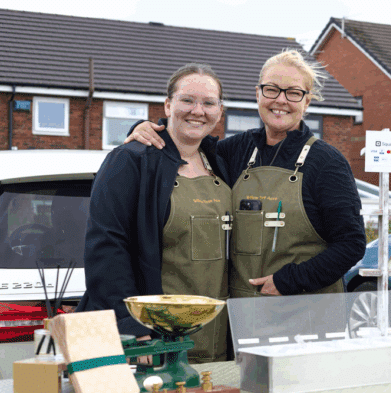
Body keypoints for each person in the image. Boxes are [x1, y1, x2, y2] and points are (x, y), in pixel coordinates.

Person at [126, 49, 366, 299]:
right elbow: (185, 139)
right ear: (258, 93)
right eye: (271, 89)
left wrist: (289, 281)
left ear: (306, 101)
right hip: (242, 312)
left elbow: (351, 244)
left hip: (305, 312)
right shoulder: (235, 150)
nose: (280, 100)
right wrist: (146, 129)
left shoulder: (327, 162)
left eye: (294, 93)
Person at [77, 63, 232, 363]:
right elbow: (106, 246)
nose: (197, 111)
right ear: (168, 104)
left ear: (219, 111)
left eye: (208, 103)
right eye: (187, 100)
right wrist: (132, 327)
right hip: (152, 337)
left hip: (216, 336)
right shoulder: (130, 161)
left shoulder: (223, 160)